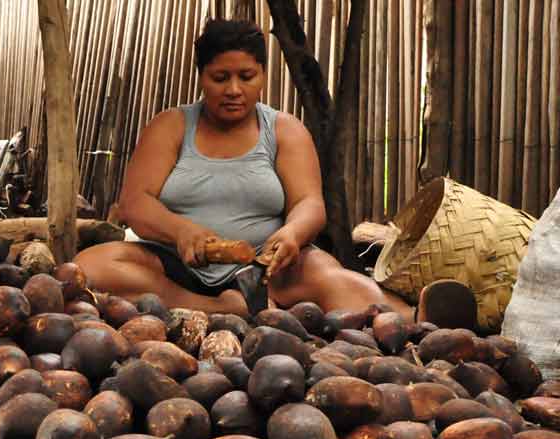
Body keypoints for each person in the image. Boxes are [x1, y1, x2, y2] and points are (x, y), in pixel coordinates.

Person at [76, 19, 422, 321]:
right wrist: (179, 231)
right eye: (220, 77)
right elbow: (135, 202)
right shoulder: (171, 126)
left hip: (267, 269)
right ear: (201, 77)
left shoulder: (284, 130)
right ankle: (216, 308)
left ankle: (418, 315)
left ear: (263, 76)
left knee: (335, 279)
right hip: (175, 269)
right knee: (90, 267)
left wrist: (291, 235)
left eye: (246, 76)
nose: (233, 90)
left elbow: (309, 204)